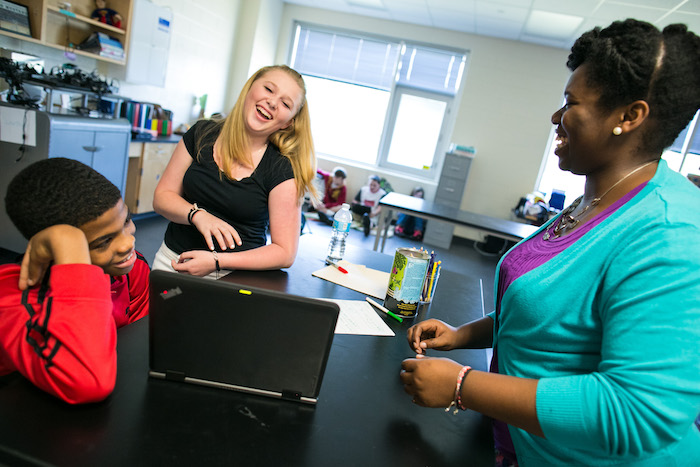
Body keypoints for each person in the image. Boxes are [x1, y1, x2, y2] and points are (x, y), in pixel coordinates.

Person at [400, 19, 700, 466]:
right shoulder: (595, 198)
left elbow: (638, 412)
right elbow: (552, 310)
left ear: (629, 116)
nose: (556, 117)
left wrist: (463, 385)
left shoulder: (670, 232)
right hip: (521, 444)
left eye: (571, 103)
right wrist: (463, 335)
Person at [0, 158, 150, 404]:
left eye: (126, 221)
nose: (128, 244)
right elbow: (88, 382)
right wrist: (68, 242)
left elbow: (138, 338)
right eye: (103, 242)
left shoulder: (129, 268)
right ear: (50, 248)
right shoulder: (12, 300)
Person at [152, 65, 317, 278]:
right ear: (249, 88)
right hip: (172, 262)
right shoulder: (201, 134)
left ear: (288, 123)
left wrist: (217, 261)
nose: (273, 103)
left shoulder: (282, 170)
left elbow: (285, 253)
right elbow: (162, 197)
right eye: (268, 89)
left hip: (235, 277)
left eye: (285, 104)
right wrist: (197, 215)